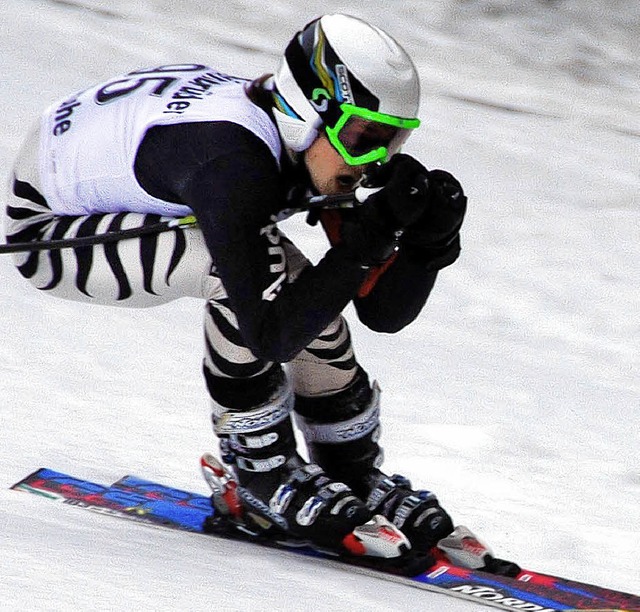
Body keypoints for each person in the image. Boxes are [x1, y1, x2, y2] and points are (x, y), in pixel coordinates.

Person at [5, 14, 466, 557]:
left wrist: (427, 247)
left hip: (111, 166)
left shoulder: (306, 143)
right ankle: (260, 474)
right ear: (309, 112)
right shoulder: (235, 164)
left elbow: (378, 310)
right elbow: (272, 335)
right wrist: (365, 241)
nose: (375, 164)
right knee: (247, 276)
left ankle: (353, 472)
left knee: (306, 297)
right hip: (47, 230)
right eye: (366, 139)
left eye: (391, 143)